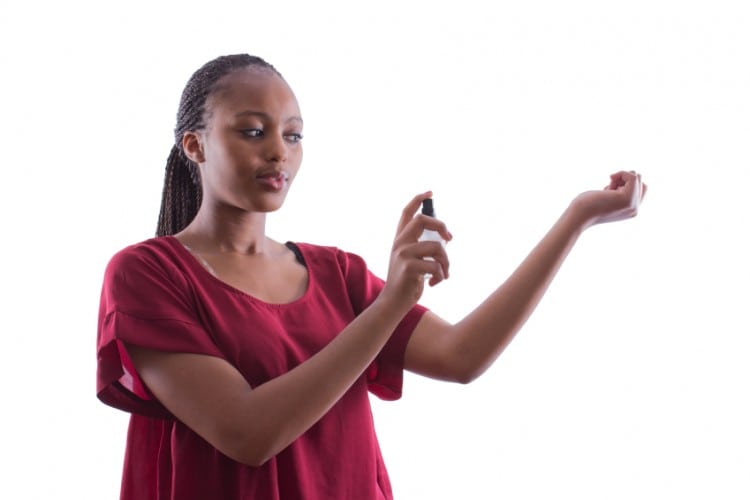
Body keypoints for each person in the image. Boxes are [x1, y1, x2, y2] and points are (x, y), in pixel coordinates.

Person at [96, 54, 646, 500]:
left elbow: (461, 356)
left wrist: (577, 217)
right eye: (253, 131)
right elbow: (248, 433)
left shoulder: (337, 274)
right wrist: (391, 305)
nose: (277, 153)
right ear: (194, 145)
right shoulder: (147, 275)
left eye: (293, 135)